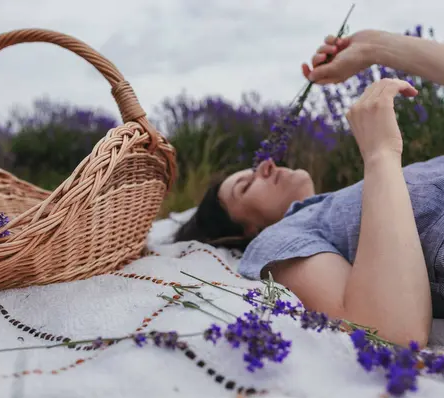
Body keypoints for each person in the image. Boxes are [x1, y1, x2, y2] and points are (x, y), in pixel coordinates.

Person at [174, 28, 444, 347]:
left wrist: (377, 49)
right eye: (245, 186)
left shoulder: (335, 201)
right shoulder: (279, 237)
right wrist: (379, 155)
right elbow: (387, 327)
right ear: (248, 230)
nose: (266, 165)